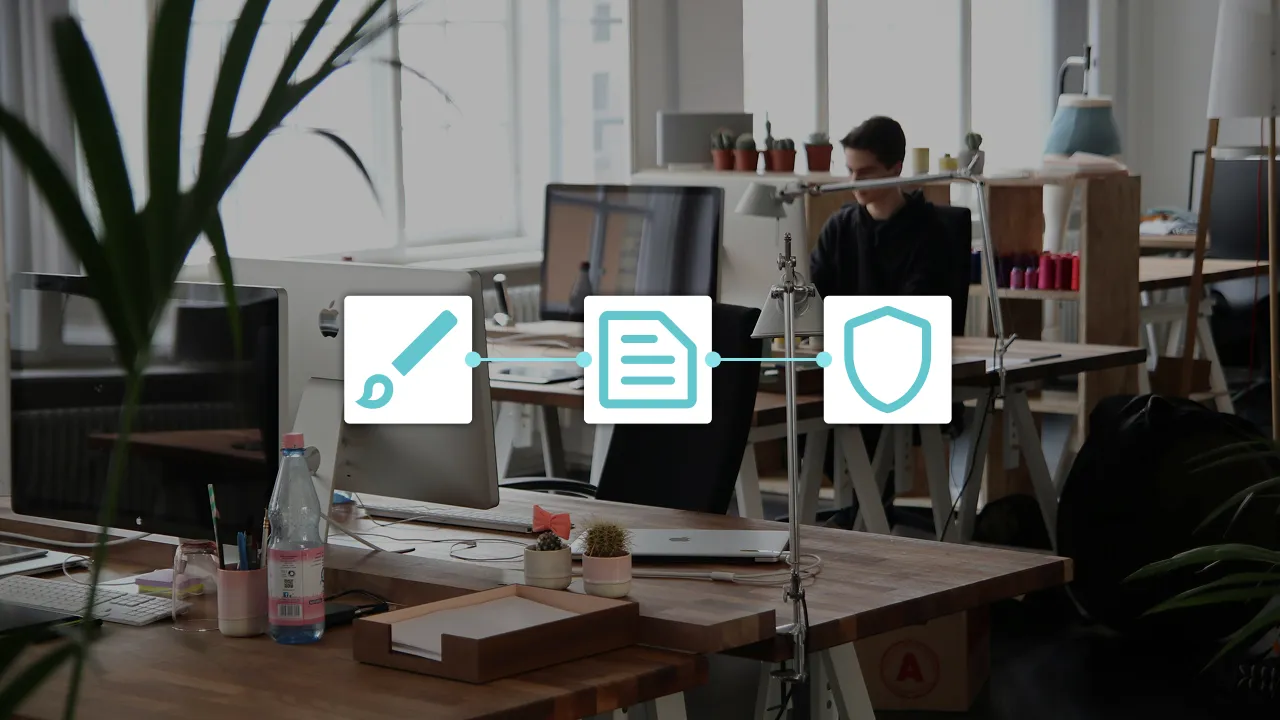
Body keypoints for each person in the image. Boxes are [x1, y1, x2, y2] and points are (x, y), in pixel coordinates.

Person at [809, 116, 950, 299]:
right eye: (850, 170)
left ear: (896, 169)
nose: (854, 182)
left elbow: (917, 313)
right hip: (840, 327)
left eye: (866, 172)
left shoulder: (930, 231)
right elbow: (812, 298)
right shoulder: (837, 228)